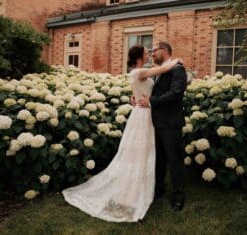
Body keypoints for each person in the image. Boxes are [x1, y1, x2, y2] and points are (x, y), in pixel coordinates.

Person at [62, 45, 181, 222]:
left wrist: (136, 99)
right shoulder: (138, 72)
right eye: (147, 52)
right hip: (143, 115)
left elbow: (149, 89)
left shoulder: (142, 71)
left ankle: (149, 187)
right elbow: (163, 69)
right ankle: (132, 192)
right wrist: (177, 61)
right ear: (139, 56)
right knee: (138, 154)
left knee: (145, 153)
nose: (149, 53)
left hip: (146, 112)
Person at [138, 41, 187, 211]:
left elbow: (175, 94)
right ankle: (159, 190)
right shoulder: (158, 71)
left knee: (174, 160)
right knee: (158, 160)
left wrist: (151, 101)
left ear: (164, 51)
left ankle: (178, 196)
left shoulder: (178, 69)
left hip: (171, 123)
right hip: (156, 123)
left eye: (154, 51)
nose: (152, 54)